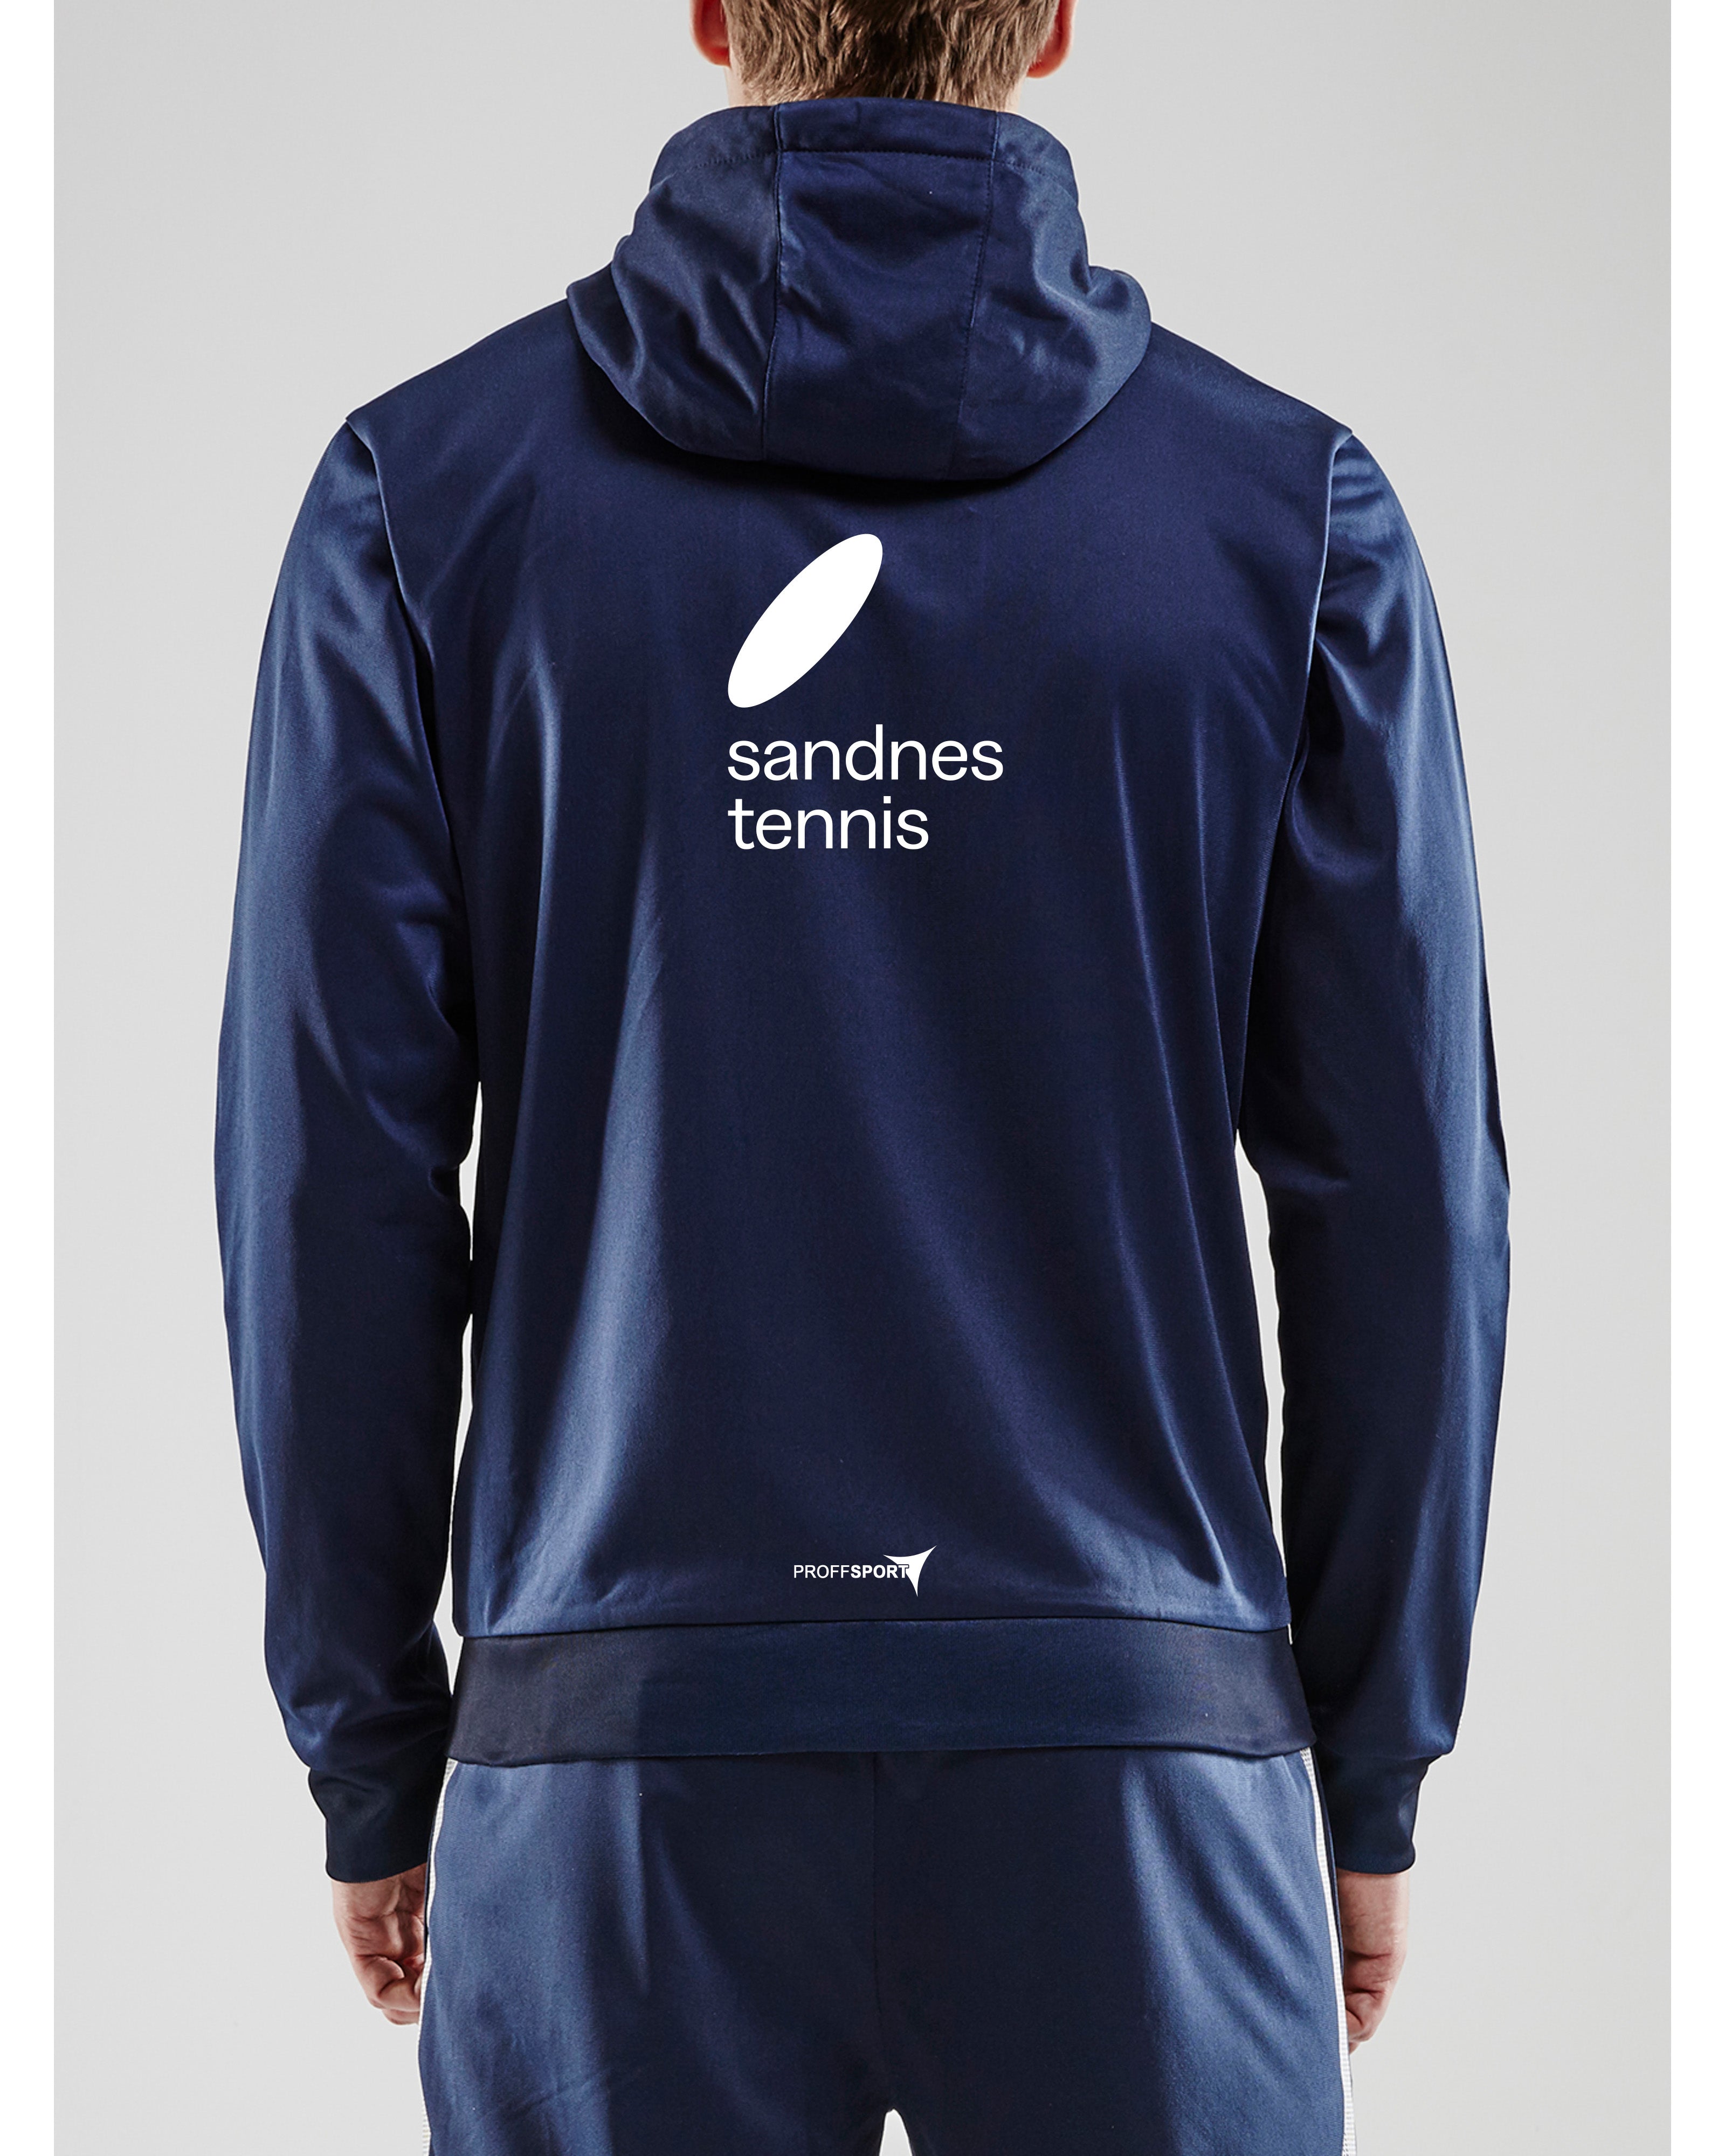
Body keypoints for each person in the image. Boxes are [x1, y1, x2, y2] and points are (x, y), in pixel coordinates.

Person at [215, 1, 1509, 2148]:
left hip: (614, 1763)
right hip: (1139, 1768)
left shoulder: (422, 501)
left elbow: (325, 1185)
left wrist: (375, 1748)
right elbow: (1410, 1208)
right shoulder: (1288, 520)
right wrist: (1365, 1761)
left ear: (715, 13)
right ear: (1056, 24)